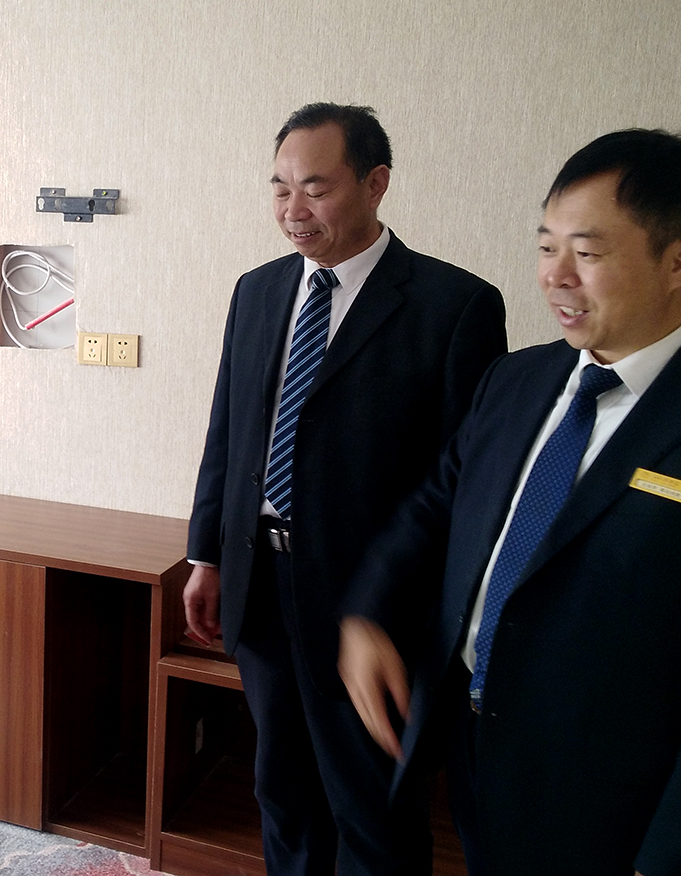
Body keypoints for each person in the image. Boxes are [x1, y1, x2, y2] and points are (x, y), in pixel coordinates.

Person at [338, 129, 681, 876]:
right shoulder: (516, 381)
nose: (556, 276)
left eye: (588, 252)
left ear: (680, 259)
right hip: (475, 751)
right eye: (547, 246)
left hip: (612, 808)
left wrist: (675, 861)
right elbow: (434, 508)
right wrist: (367, 611)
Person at [185, 102, 507, 876]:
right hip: (262, 583)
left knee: (371, 812)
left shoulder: (454, 306)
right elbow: (229, 430)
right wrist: (205, 554)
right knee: (283, 792)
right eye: (280, 187)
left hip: (370, 605)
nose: (293, 209)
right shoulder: (257, 290)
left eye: (317, 187)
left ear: (375, 183)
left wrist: (414, 612)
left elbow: (463, 487)